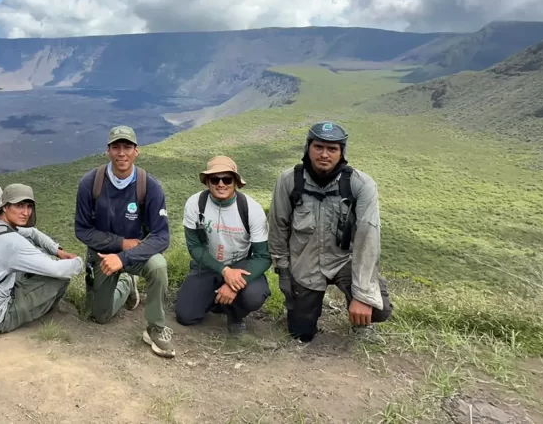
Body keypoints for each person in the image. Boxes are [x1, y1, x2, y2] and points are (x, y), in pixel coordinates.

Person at [268, 122, 392, 343]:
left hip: (345, 260)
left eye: (332, 149)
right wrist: (283, 271)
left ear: (342, 152)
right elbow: (278, 227)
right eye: (318, 147)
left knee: (378, 308)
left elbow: (368, 240)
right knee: (300, 333)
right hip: (304, 262)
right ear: (308, 148)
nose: (324, 154)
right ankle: (306, 309)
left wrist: (364, 295)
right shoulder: (289, 181)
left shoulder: (360, 185)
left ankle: (361, 324)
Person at [73, 125, 175, 358]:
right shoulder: (91, 183)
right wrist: (120, 243)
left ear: (136, 151)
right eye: (116, 147)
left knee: (158, 266)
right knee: (99, 316)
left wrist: (123, 257)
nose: (122, 153)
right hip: (101, 256)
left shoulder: (149, 186)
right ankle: (127, 285)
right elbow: (82, 230)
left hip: (135, 255)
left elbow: (162, 237)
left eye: (127, 147)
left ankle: (156, 328)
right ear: (108, 151)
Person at [176, 156, 271, 335]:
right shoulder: (195, 204)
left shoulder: (251, 209)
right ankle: (216, 301)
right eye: (215, 179)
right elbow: (194, 246)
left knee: (253, 295)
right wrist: (224, 271)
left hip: (240, 265)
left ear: (235, 182)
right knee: (185, 315)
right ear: (207, 182)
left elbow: (263, 257)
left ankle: (235, 315)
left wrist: (234, 283)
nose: (221, 184)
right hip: (209, 264)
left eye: (227, 179)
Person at [0, 183, 83, 336]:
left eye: (29, 206)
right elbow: (57, 270)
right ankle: (47, 312)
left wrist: (58, 251)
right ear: (5, 207)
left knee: (33, 246)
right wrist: (78, 261)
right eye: (19, 206)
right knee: (61, 277)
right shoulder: (12, 242)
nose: (26, 212)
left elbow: (31, 232)